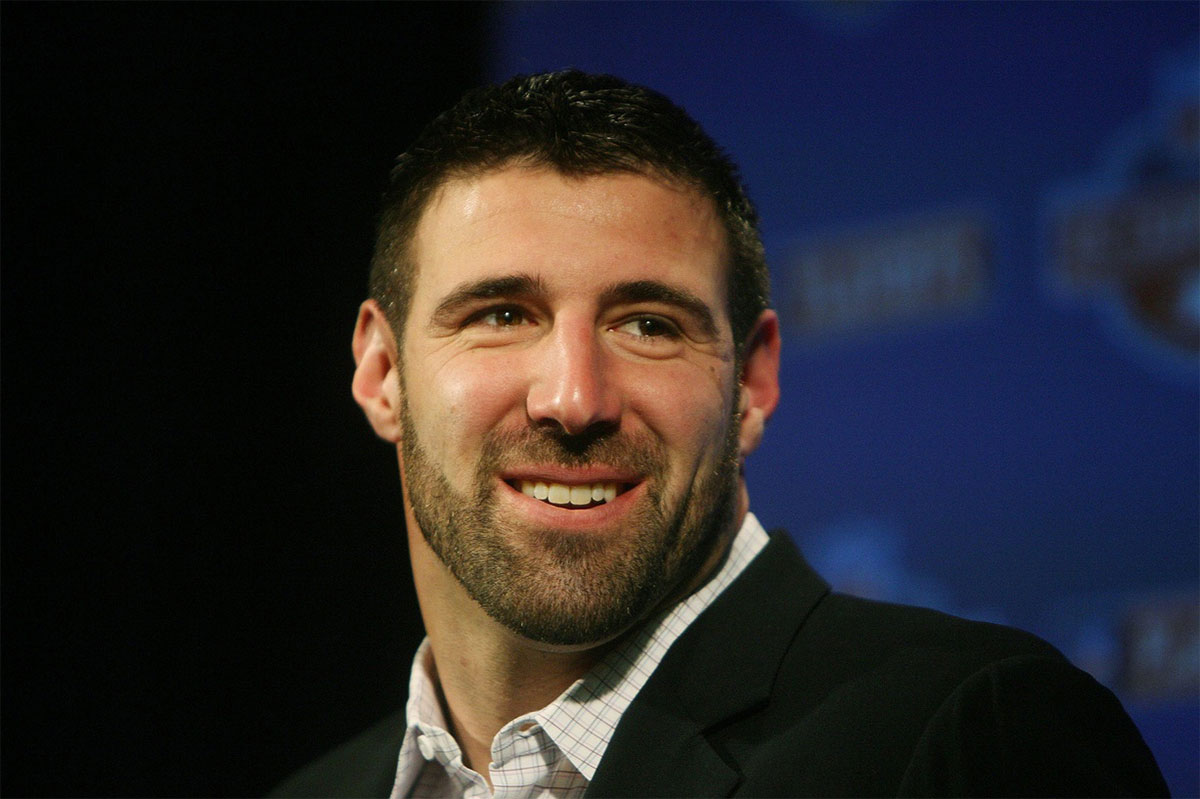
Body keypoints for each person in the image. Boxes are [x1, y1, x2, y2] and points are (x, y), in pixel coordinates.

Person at [272, 70, 1167, 798]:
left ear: (755, 379)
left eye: (649, 323)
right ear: (382, 373)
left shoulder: (968, 738)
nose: (574, 396)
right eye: (503, 313)